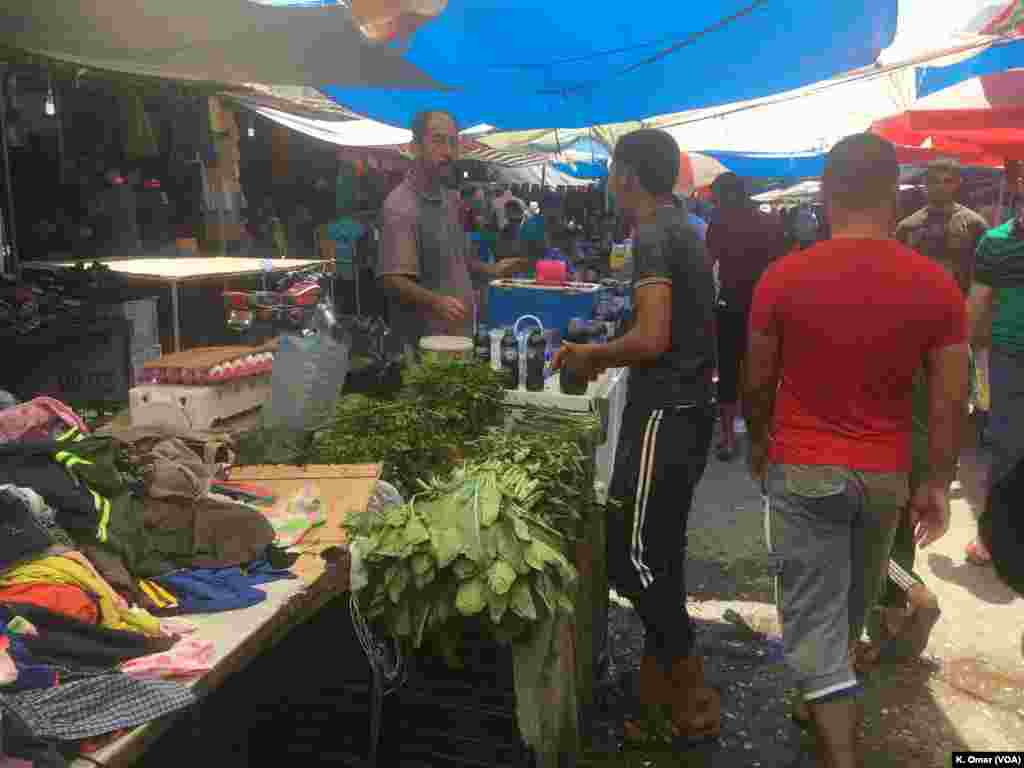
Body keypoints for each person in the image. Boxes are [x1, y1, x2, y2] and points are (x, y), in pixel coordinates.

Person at [744, 133, 967, 768]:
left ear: (825, 193)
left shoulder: (784, 276)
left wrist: (761, 445)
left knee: (813, 612)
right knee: (846, 605)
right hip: (886, 476)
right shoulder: (935, 284)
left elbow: (756, 379)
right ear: (896, 197)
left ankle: (841, 754)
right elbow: (950, 400)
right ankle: (820, 697)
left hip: (805, 465)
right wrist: (937, 482)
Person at [552, 129, 719, 745]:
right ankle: (660, 698)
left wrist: (592, 354)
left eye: (610, 170)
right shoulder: (681, 227)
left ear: (625, 173)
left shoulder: (653, 234)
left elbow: (651, 340)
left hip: (665, 413)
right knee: (662, 553)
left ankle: (693, 690)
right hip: (687, 406)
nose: (606, 179)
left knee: (633, 558)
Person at [866, 158, 989, 659]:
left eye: (946, 177)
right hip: (916, 352)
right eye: (932, 178)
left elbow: (984, 291)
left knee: (888, 512)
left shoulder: (973, 226)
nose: (938, 185)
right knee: (901, 497)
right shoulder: (908, 228)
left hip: (949, 347)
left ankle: (901, 598)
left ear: (956, 182)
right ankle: (896, 602)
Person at [376, 110, 526, 353]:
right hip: (423, 348)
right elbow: (391, 279)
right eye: (437, 140)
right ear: (415, 147)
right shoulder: (401, 206)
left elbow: (458, 261)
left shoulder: (450, 199)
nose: (448, 152)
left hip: (460, 338)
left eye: (453, 142)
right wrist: (435, 301)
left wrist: (492, 270)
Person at [705, 172, 787, 461]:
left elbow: (707, 262)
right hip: (766, 307)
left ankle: (728, 438)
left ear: (728, 196)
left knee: (728, 371)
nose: (713, 203)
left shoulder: (719, 223)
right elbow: (781, 267)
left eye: (715, 197)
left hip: (730, 306)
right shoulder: (770, 222)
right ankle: (763, 435)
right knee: (765, 370)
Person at [968, 170, 1024, 573]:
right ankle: (992, 535)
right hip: (1010, 356)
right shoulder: (995, 242)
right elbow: (978, 302)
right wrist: (973, 361)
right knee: (1006, 447)